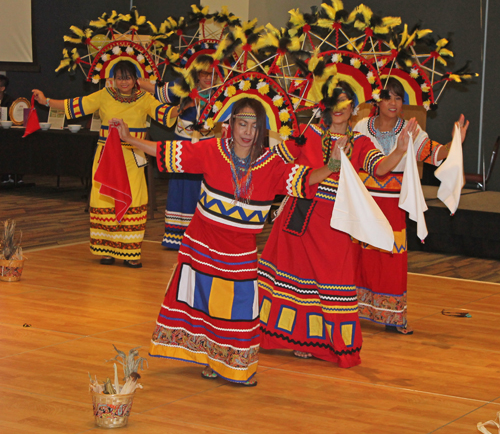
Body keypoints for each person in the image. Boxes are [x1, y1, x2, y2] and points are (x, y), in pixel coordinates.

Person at [114, 97, 336, 386]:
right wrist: (129, 138)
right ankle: (211, 359)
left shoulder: (271, 164)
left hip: (240, 254)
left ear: (263, 130)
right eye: (242, 124)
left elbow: (304, 180)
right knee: (205, 307)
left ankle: (237, 367)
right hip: (202, 246)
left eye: (255, 126)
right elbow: (168, 151)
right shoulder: (211, 150)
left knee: (239, 310)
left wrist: (331, 166)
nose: (247, 132)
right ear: (231, 125)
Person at [257, 81, 414, 368]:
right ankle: (294, 340)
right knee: (295, 283)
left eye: (346, 103)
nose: (340, 109)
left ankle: (320, 342)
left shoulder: (360, 142)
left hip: (336, 223)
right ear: (326, 108)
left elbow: (379, 168)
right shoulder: (307, 135)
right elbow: (272, 160)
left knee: (332, 283)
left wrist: (400, 150)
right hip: (300, 219)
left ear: (353, 109)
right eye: (335, 103)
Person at [353, 77, 468, 334]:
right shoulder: (361, 126)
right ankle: (355, 310)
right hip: (364, 203)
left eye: (398, 98)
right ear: (377, 100)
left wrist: (455, 142)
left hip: (392, 205)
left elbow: (435, 154)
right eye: (387, 97)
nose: (393, 103)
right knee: (360, 258)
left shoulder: (411, 130)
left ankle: (393, 317)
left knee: (392, 259)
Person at [32, 60, 171, 268]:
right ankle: (107, 250)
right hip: (106, 156)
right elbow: (75, 105)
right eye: (120, 77)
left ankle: (130, 253)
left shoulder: (145, 98)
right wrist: (46, 101)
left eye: (128, 77)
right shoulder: (104, 95)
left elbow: (166, 114)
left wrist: (186, 106)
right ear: (112, 79)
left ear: (136, 80)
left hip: (133, 156)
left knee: (133, 198)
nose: (124, 82)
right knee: (104, 198)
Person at [139, 59, 217, 250]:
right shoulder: (184, 88)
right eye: (204, 74)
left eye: (211, 73)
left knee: (205, 188)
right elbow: (158, 90)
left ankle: (202, 237)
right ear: (197, 74)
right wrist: (135, 79)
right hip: (183, 143)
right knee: (182, 188)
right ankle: (179, 237)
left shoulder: (224, 92)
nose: (207, 78)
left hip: (208, 146)